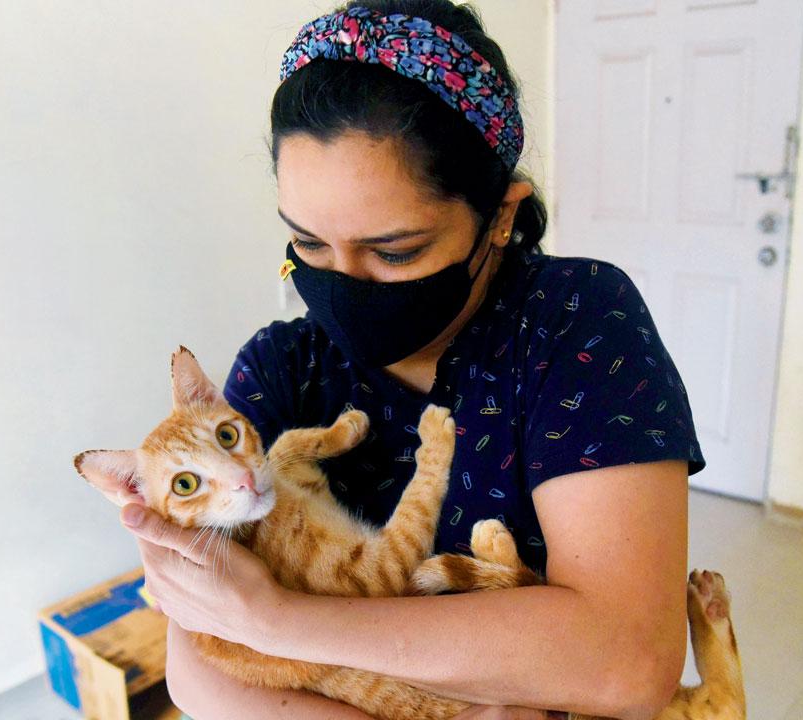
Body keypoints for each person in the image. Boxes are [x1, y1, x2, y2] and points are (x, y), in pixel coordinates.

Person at [119, 2, 706, 718]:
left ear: (500, 216)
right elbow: (203, 673)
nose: (342, 286)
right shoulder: (281, 368)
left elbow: (624, 660)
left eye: (395, 251)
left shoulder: (574, 321)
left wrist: (275, 620)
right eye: (307, 244)